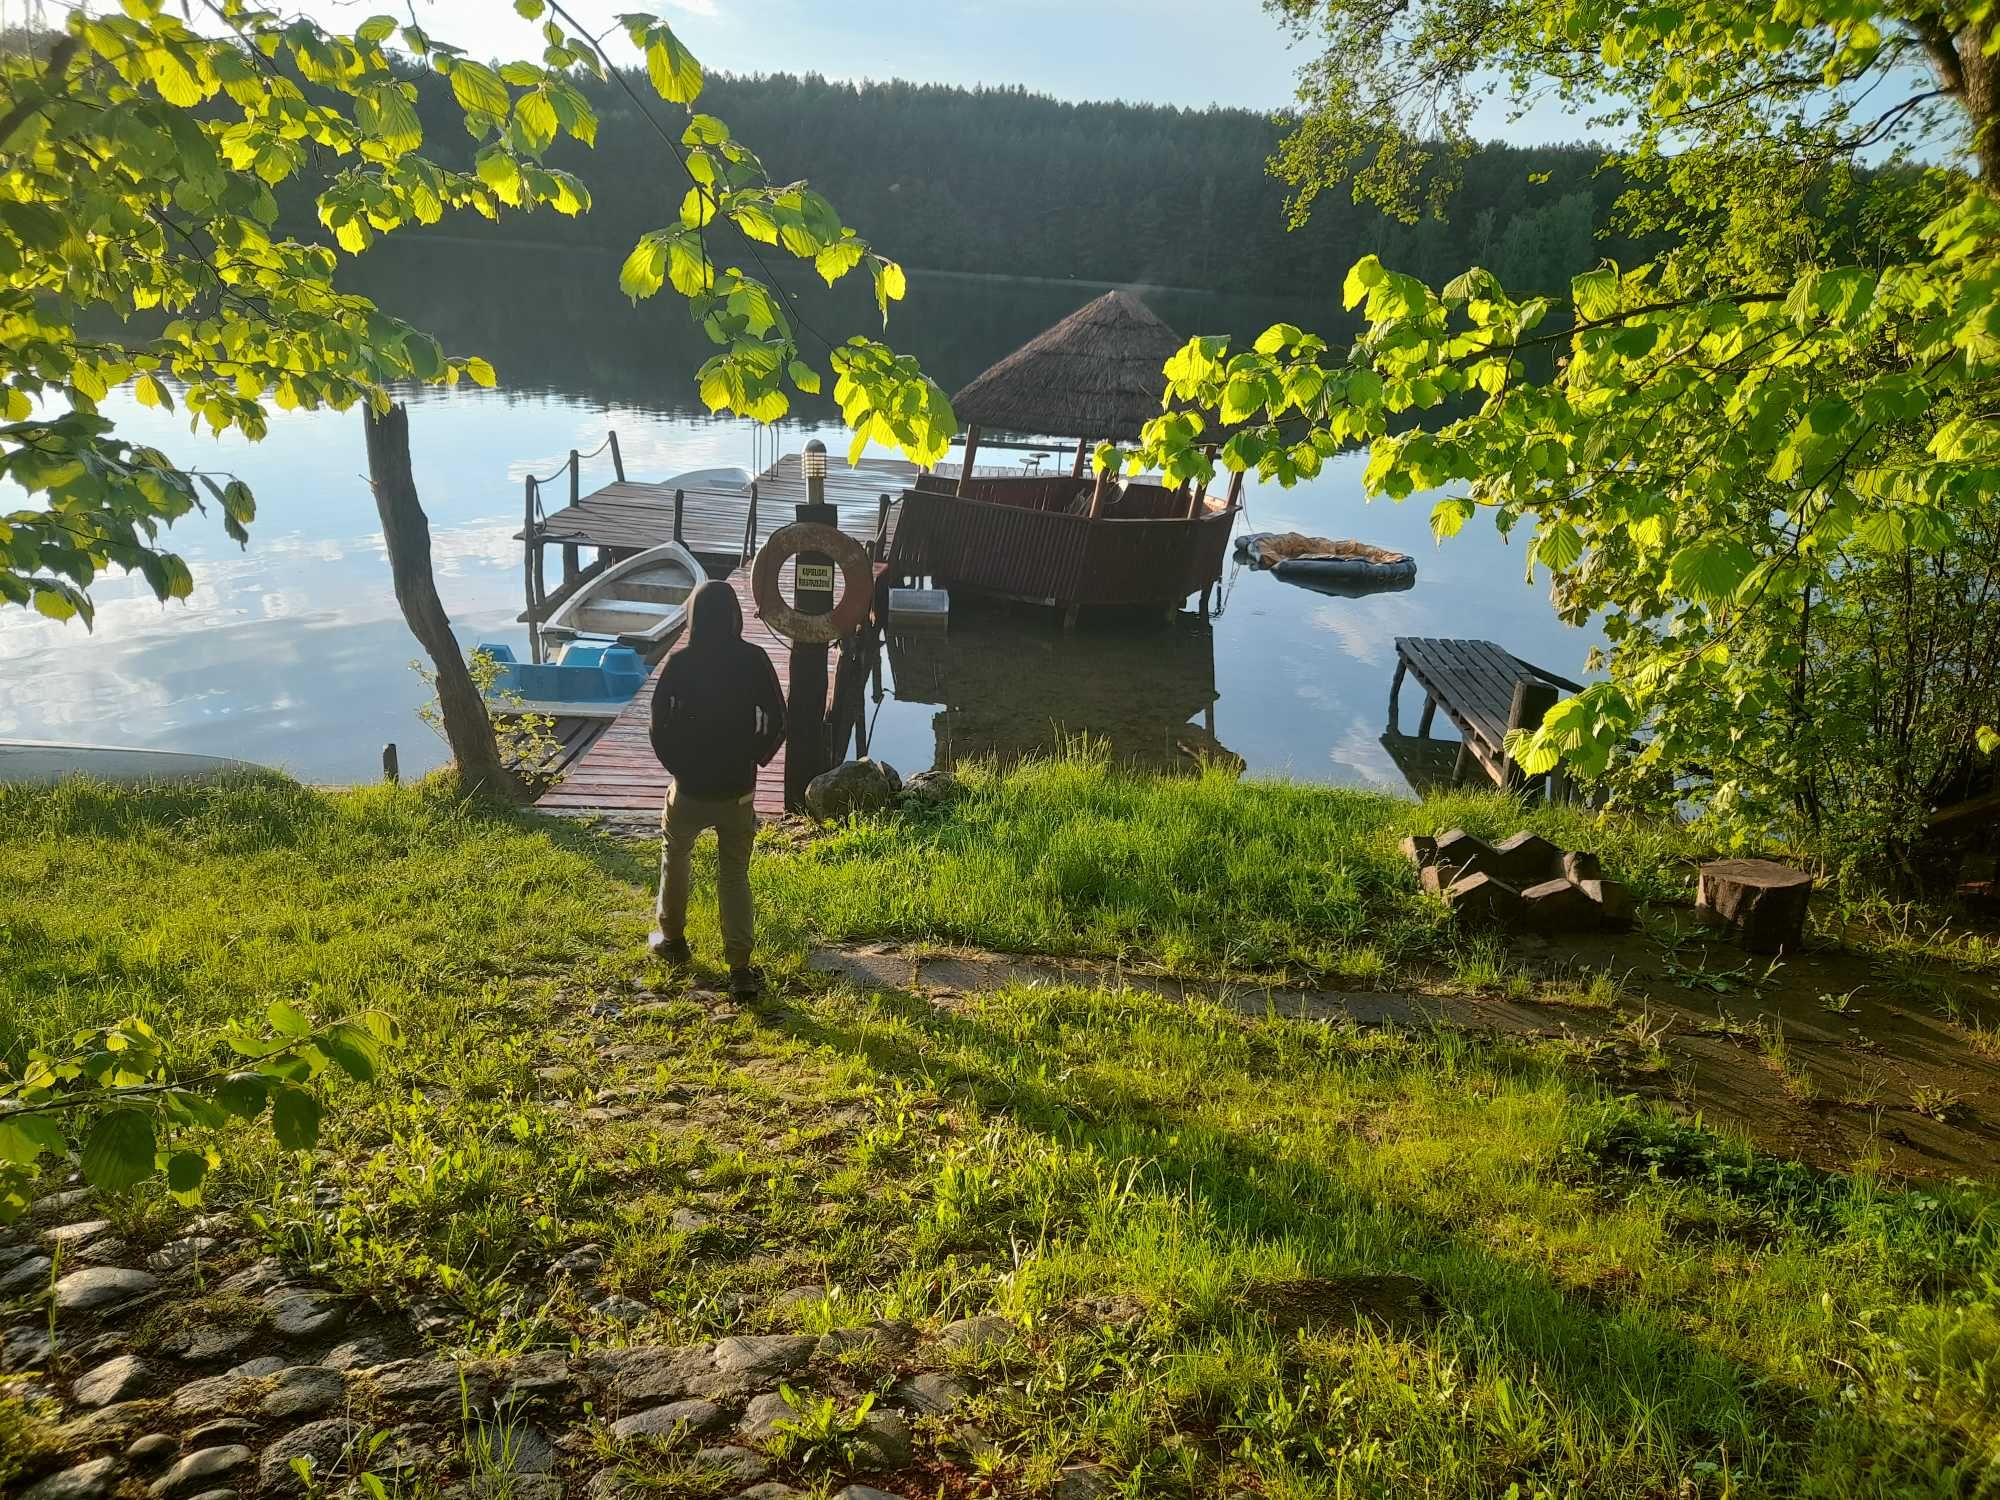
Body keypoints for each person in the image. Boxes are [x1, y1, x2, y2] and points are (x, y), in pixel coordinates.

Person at [647, 579, 786, 995]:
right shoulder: (755, 660)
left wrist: (678, 767)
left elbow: (658, 726)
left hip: (688, 786)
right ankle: (740, 970)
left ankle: (672, 941)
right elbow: (780, 719)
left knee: (676, 854)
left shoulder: (679, 663)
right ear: (735, 617)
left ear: (692, 617)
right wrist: (756, 757)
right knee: (734, 876)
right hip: (737, 787)